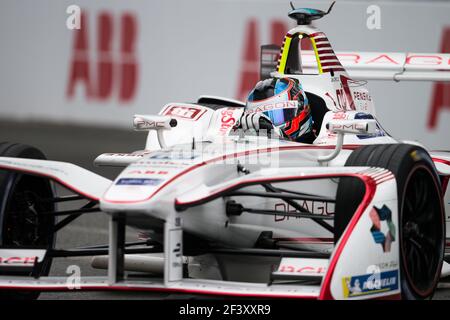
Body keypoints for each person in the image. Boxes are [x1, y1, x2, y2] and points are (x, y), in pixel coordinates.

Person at [238, 77, 315, 143]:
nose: (266, 125)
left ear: (303, 110)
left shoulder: (322, 148)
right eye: (262, 120)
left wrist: (275, 135)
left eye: (278, 116)